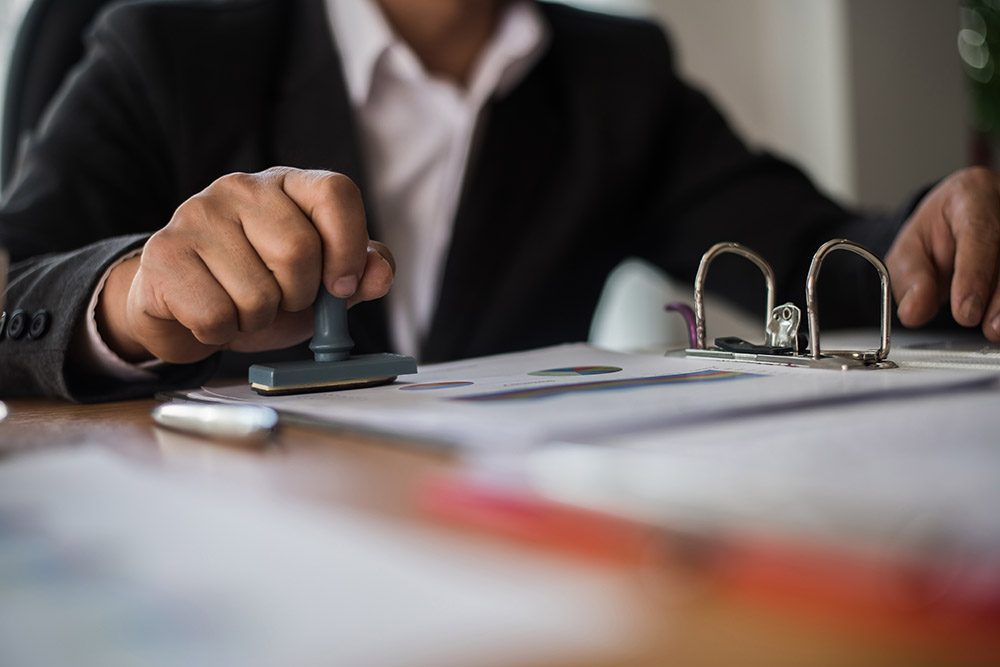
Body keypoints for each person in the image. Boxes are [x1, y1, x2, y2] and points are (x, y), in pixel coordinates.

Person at [0, 0, 998, 402]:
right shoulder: (170, 42)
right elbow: (17, 288)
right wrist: (129, 299)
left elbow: (810, 249)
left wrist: (939, 240)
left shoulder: (618, 74)